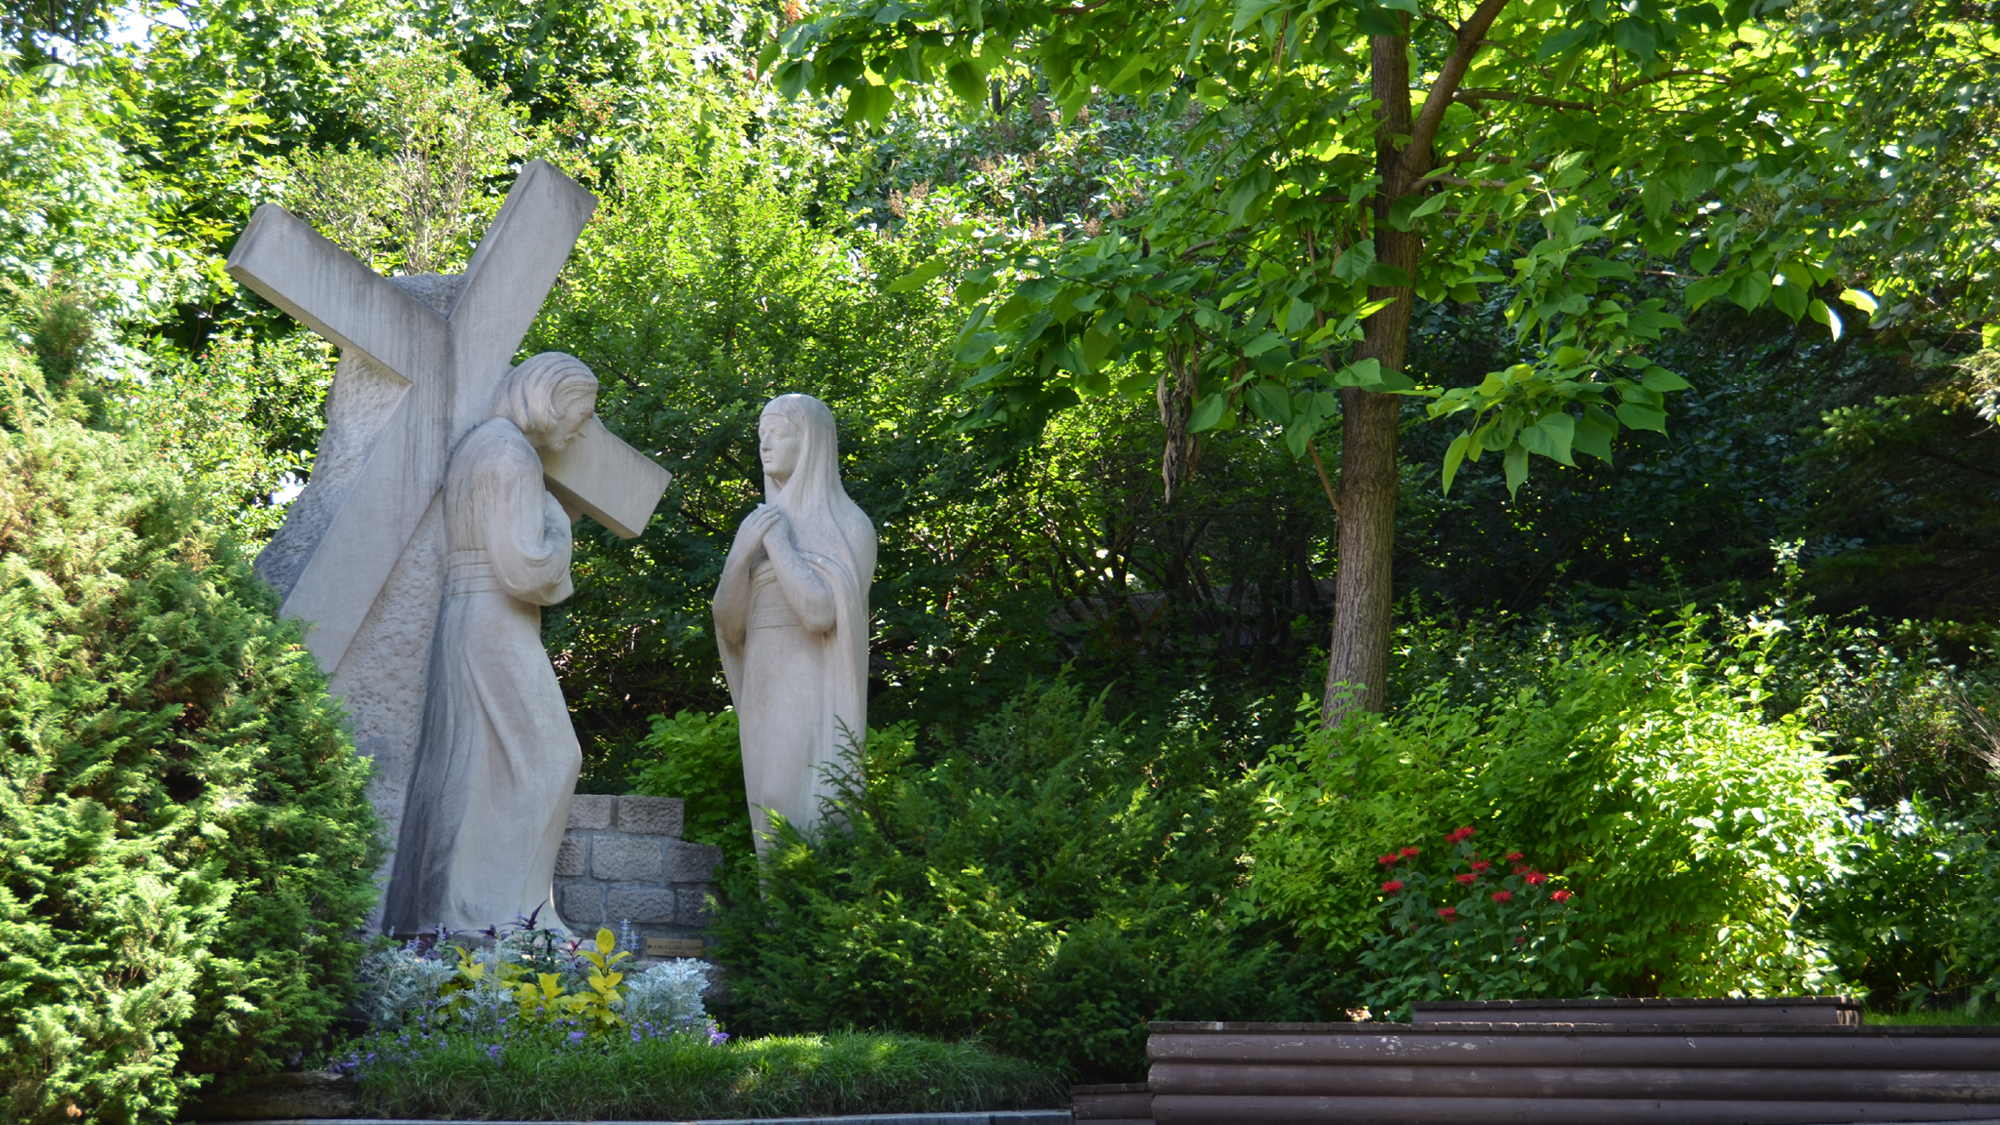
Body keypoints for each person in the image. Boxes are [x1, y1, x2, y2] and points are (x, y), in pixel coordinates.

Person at [383, 352, 596, 935]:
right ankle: (512, 914)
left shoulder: (483, 446)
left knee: (476, 764)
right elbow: (525, 570)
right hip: (496, 615)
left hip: (471, 615)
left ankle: (462, 912)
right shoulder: (510, 455)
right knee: (552, 758)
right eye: (580, 414)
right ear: (548, 397)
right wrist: (560, 527)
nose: (581, 430)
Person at [712, 394, 876, 855]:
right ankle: (774, 920)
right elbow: (728, 625)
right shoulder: (757, 525)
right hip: (763, 673)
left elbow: (821, 613)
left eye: (779, 434)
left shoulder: (849, 525)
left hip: (808, 677)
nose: (765, 445)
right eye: (761, 435)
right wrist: (742, 554)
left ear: (811, 444)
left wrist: (779, 546)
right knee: (765, 802)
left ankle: (806, 910)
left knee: (793, 800)